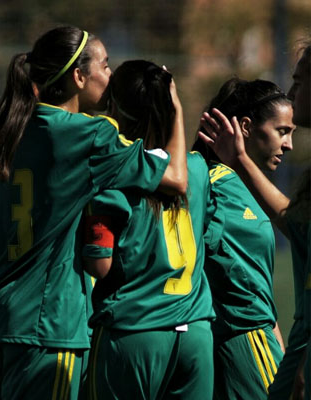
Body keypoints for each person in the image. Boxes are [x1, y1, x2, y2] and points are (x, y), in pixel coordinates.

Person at [0, 26, 188, 400]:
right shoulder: (89, 134)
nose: (111, 74)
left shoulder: (13, 128)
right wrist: (177, 111)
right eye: (104, 65)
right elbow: (176, 178)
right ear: (78, 76)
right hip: (47, 327)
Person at [82, 60, 215, 399]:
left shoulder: (117, 174)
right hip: (195, 335)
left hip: (135, 329)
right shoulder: (199, 171)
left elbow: (100, 265)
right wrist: (177, 110)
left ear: (114, 106)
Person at [198, 44, 310, 400]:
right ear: (245, 127)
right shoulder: (217, 183)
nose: (289, 144)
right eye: (281, 131)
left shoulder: (240, 186)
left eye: (298, 80)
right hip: (241, 347)